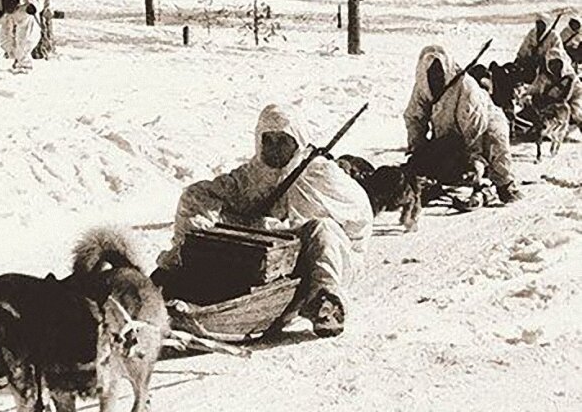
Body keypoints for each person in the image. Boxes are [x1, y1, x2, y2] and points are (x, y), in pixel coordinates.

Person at [155, 104, 374, 339]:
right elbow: (199, 196)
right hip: (259, 260)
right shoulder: (252, 175)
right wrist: (197, 237)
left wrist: (280, 229)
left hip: (317, 259)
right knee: (202, 209)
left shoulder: (322, 174)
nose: (274, 148)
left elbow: (359, 219)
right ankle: (180, 272)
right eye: (268, 140)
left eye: (283, 141)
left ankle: (325, 303)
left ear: (297, 141)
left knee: (323, 229)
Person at [404, 45, 520, 207]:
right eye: (431, 70)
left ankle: (501, 185)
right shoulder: (423, 86)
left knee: (494, 144)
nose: (436, 75)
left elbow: (475, 129)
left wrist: (475, 161)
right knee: (428, 159)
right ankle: (431, 181)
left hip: (484, 124)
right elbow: (414, 117)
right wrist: (418, 149)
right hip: (448, 131)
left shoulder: (466, 86)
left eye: (439, 69)